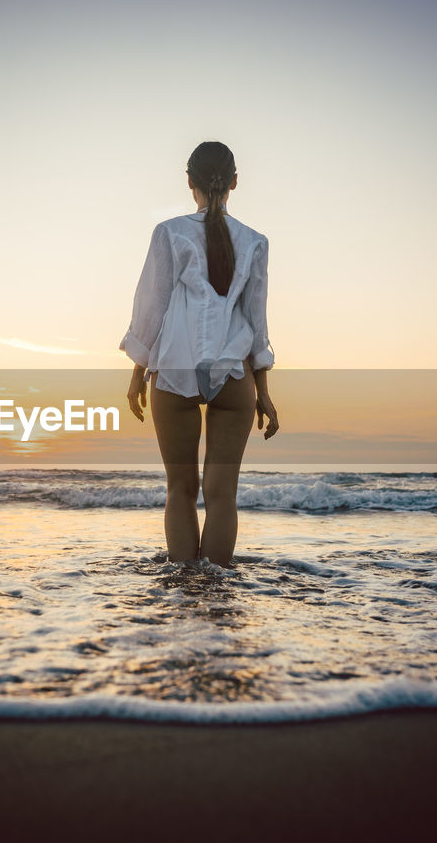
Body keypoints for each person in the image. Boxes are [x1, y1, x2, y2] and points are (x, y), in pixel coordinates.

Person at [119, 141, 279, 567]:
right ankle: (218, 591)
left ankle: (185, 587)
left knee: (180, 489)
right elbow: (256, 321)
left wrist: (138, 372)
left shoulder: (169, 233)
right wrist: (263, 391)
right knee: (223, 493)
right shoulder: (256, 242)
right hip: (235, 373)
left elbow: (151, 308)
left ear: (189, 181)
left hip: (174, 366)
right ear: (234, 183)